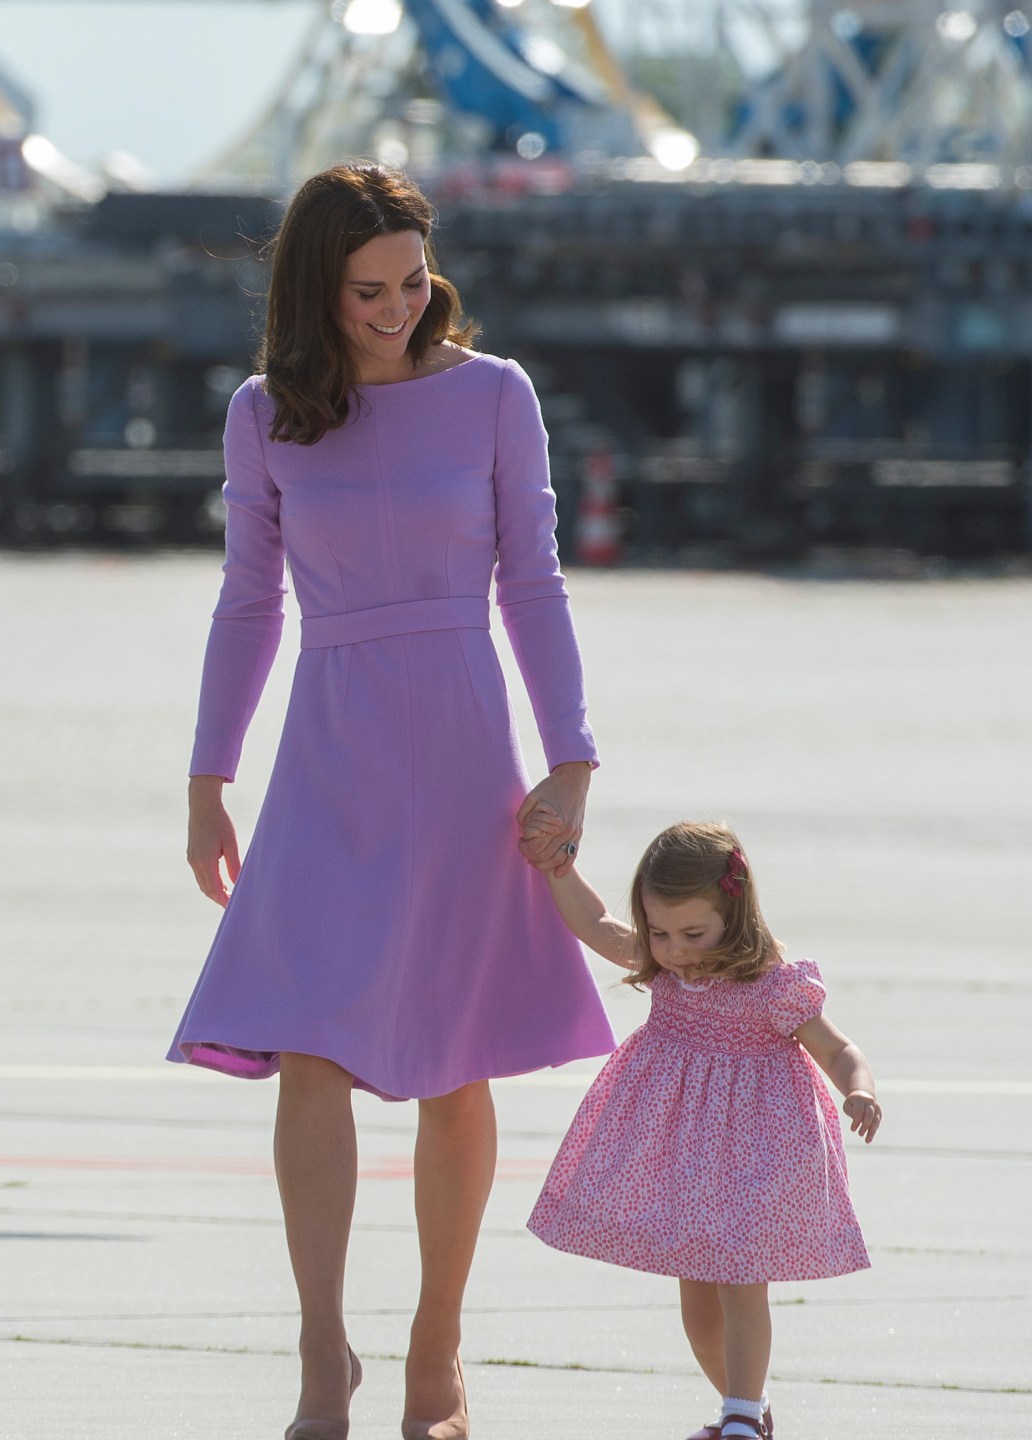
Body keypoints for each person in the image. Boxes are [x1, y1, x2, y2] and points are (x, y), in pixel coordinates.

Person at [173, 163, 614, 1440]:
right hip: (327, 751)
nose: (396, 307)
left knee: (451, 1056)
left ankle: (437, 1349)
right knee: (309, 1045)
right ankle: (324, 1355)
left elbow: (534, 583)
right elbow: (247, 602)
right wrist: (207, 779)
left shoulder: (492, 395)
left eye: (414, 280)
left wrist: (571, 758)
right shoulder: (266, 412)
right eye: (368, 288)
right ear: (316, 287)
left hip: (466, 746)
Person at [522, 821, 877, 1440]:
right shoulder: (663, 968)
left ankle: (740, 1416)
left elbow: (836, 1046)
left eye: (692, 932)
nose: (675, 949)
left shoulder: (771, 983)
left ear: (733, 913)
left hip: (758, 1152)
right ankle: (746, 1406)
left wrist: (859, 1088)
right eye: (659, 932)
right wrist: (559, 867)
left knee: (742, 1286)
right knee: (696, 1303)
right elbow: (595, 922)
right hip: (684, 1155)